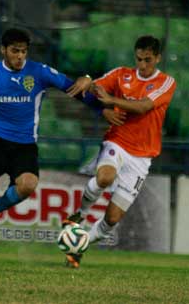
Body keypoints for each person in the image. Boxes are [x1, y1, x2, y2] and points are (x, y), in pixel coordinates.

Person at [0, 28, 113, 263]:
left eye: (23, 51)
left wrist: (103, 110)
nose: (20, 56)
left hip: (24, 144)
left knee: (28, 186)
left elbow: (75, 90)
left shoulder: (39, 71)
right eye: (15, 51)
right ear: (3, 50)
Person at [64, 35, 177, 268]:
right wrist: (87, 80)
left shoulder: (166, 82)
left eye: (148, 60)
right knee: (105, 177)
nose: (143, 65)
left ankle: (79, 246)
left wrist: (112, 99)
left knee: (112, 218)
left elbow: (144, 106)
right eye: (139, 59)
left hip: (142, 158)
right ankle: (79, 215)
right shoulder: (122, 74)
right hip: (118, 141)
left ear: (158, 58)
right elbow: (95, 87)